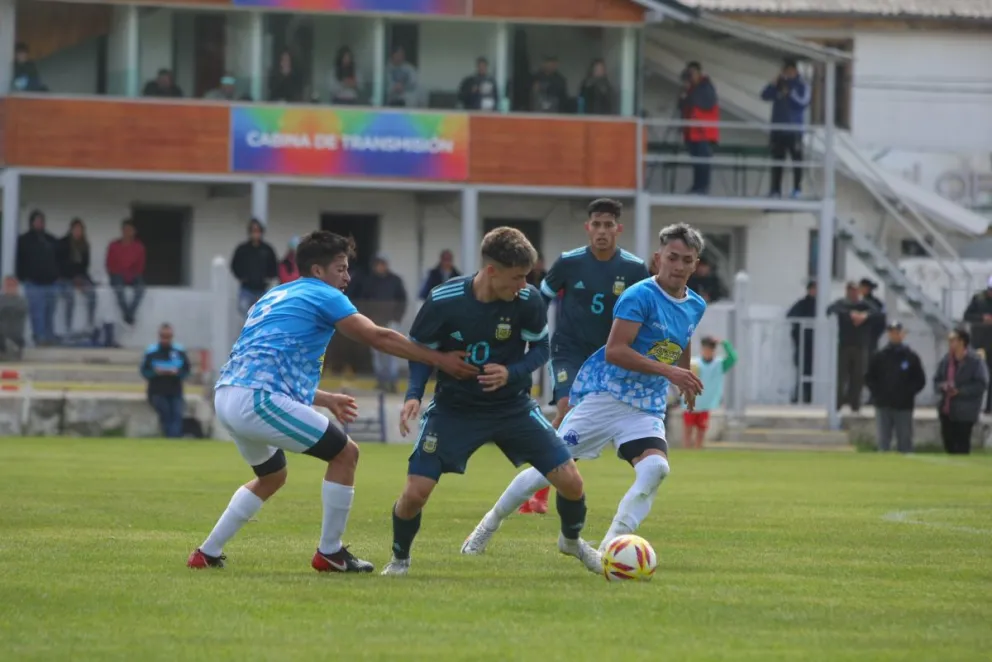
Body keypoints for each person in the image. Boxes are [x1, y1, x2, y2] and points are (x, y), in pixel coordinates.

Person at [188, 231, 476, 572]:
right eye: (341, 268)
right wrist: (439, 360)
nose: (347, 276)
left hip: (228, 394)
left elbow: (269, 360)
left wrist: (323, 398)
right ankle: (330, 552)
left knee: (272, 476)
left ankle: (206, 553)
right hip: (257, 399)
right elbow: (378, 336)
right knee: (345, 453)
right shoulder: (323, 294)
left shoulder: (272, 295)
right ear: (318, 271)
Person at [462, 223, 706, 557]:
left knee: (656, 469)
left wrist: (683, 379)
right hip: (606, 396)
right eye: (672, 257)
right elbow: (615, 351)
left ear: (695, 264)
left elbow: (684, 334)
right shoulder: (639, 295)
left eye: (687, 260)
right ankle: (488, 524)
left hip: (645, 406)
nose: (678, 266)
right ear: (657, 258)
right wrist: (671, 372)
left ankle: (610, 550)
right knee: (544, 473)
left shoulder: (695, 304)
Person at [385, 227, 600, 576]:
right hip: (456, 409)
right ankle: (399, 560)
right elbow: (419, 351)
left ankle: (571, 541)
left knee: (572, 482)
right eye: (517, 277)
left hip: (512, 407)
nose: (523, 285)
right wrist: (414, 394)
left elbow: (541, 350)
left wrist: (511, 372)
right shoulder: (443, 300)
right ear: (491, 271)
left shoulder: (528, 300)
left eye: (526, 277)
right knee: (415, 494)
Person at [521, 198, 650, 515]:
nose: (602, 231)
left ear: (618, 229)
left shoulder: (634, 269)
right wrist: (526, 337)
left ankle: (551, 478)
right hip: (569, 351)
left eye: (609, 225)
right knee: (567, 408)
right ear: (588, 227)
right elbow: (540, 301)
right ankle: (537, 493)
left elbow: (647, 314)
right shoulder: (568, 262)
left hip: (610, 357)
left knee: (575, 424)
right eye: (597, 224)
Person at [864, 321, 926, 453]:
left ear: (903, 334)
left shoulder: (911, 357)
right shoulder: (880, 356)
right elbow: (869, 378)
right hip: (883, 404)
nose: (894, 335)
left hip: (903, 406)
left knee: (905, 442)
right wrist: (878, 394)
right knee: (883, 442)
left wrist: (908, 393)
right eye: (891, 332)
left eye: (897, 332)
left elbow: (920, 380)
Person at [351, 254, 408, 393]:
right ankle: (381, 381)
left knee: (392, 352)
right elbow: (363, 301)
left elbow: (402, 300)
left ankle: (392, 381)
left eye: (383, 263)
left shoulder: (395, 280)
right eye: (378, 264)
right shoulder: (369, 281)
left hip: (391, 321)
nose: (381, 267)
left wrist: (397, 317)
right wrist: (366, 318)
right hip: (374, 322)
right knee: (377, 353)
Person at [760, 59, 811, 198]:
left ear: (795, 71)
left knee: (797, 160)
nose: (788, 73)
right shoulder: (779, 84)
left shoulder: (802, 85)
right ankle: (775, 190)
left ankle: (797, 189)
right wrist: (774, 83)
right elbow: (764, 95)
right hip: (778, 130)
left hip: (794, 131)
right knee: (777, 161)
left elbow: (803, 102)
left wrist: (790, 94)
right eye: (785, 71)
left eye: (790, 71)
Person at [934, 327, 988, 455]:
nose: (950, 343)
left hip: (965, 412)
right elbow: (937, 379)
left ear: (962, 342)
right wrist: (942, 386)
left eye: (953, 340)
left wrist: (960, 391)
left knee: (962, 445)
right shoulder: (946, 360)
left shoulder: (975, 361)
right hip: (947, 410)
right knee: (949, 444)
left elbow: (981, 384)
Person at [827, 282, 880, 412]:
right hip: (844, 345)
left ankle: (855, 404)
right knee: (841, 377)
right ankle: (838, 404)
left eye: (856, 291)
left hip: (860, 346)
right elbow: (830, 310)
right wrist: (850, 314)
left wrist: (864, 316)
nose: (854, 293)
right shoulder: (842, 303)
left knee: (858, 377)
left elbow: (878, 313)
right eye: (851, 291)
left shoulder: (865, 304)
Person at [15, 210, 60, 345]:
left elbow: (59, 257)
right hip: (33, 283)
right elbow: (19, 260)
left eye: (42, 221)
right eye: (37, 221)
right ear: (31, 222)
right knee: (37, 313)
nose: (40, 224)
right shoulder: (24, 240)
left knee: (50, 312)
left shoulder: (50, 239)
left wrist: (58, 275)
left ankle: (49, 337)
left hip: (51, 283)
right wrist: (22, 278)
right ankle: (39, 338)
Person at [683, 336, 737, 449]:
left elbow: (733, 358)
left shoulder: (719, 364)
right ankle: (687, 449)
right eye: (706, 349)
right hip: (691, 401)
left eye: (710, 350)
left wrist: (724, 343)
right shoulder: (694, 363)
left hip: (706, 403)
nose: (708, 352)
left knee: (701, 428)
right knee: (688, 427)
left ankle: (698, 448)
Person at [141, 323, 191, 439]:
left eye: (168, 336)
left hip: (175, 390)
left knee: (177, 414)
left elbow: (186, 371)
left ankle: (175, 438)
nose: (165, 339)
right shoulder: (151, 352)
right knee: (166, 414)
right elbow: (144, 371)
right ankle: (171, 437)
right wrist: (156, 373)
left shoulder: (179, 351)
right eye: (163, 336)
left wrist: (177, 373)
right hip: (157, 391)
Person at [678, 61, 719, 195]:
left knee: (703, 161)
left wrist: (688, 92)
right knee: (696, 162)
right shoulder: (689, 89)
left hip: (704, 132)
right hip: (691, 132)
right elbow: (682, 105)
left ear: (699, 73)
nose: (691, 77)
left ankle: (703, 188)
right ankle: (696, 186)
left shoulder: (706, 87)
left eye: (692, 73)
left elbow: (702, 102)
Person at [56, 218, 97, 334]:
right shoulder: (63, 243)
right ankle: (68, 328)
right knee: (70, 297)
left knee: (92, 293)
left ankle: (90, 325)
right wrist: (73, 278)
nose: (78, 232)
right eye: (76, 229)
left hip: (80, 277)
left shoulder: (85, 245)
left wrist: (82, 279)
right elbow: (61, 264)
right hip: (65, 278)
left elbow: (85, 266)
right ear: (71, 230)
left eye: (80, 229)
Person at [230, 219, 278, 316]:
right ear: (250, 232)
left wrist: (268, 277)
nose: (256, 234)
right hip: (246, 289)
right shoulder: (242, 249)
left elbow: (274, 265)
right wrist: (242, 276)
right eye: (253, 231)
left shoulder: (267, 249)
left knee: (263, 314)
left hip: (263, 289)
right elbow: (234, 264)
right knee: (244, 311)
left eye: (258, 231)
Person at [105, 219, 146, 326]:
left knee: (140, 289)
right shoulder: (113, 245)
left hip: (132, 275)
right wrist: (118, 273)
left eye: (130, 230)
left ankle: (129, 314)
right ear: (122, 230)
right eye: (125, 229)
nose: (127, 232)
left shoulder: (139, 247)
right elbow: (109, 264)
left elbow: (140, 267)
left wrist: (131, 274)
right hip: (117, 275)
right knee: (119, 290)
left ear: (134, 232)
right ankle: (128, 315)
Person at [961, 276, 992, 413]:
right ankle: (974, 405)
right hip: (979, 343)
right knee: (976, 375)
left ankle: (989, 408)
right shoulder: (978, 299)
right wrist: (981, 318)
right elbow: (967, 315)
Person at [787, 280, 817, 404]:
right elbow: (791, 315)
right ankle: (800, 396)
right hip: (803, 343)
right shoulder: (803, 304)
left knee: (813, 370)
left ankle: (810, 396)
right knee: (802, 370)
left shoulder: (820, 304)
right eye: (813, 289)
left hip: (816, 345)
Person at [0, 276, 27, 360]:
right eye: (8, 285)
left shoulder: (22, 301)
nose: (10, 288)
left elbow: (15, 312)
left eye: (12, 285)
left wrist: (5, 309)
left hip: (14, 337)